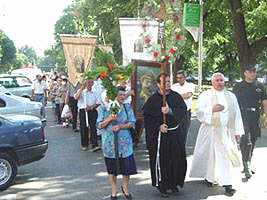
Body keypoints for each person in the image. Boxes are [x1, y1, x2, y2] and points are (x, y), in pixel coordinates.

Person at [189, 72, 244, 196]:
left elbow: (237, 114)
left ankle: (228, 183)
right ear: (212, 82)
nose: (220, 83)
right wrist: (212, 109)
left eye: (221, 80)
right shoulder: (205, 95)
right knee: (210, 156)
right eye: (217, 80)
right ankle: (210, 178)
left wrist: (238, 131)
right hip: (210, 130)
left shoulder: (231, 95)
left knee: (226, 156)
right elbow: (198, 111)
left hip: (226, 132)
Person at [143, 73, 187, 198]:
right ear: (158, 84)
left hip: (174, 133)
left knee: (176, 158)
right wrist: (159, 126)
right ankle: (162, 185)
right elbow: (147, 117)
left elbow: (183, 110)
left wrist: (170, 111)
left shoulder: (176, 96)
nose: (167, 83)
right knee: (163, 160)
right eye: (164, 82)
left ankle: (174, 183)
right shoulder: (153, 99)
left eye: (168, 81)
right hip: (160, 136)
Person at [97, 86, 137, 200]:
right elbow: (99, 125)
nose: (122, 97)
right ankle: (113, 191)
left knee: (127, 166)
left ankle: (125, 187)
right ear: (114, 95)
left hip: (125, 143)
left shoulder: (127, 106)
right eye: (120, 94)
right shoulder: (103, 108)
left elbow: (132, 122)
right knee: (112, 168)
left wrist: (121, 126)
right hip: (110, 143)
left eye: (124, 95)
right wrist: (109, 118)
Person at [233, 65, 267, 179]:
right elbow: (233, 102)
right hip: (242, 116)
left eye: (254, 71)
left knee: (253, 139)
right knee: (246, 140)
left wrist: (266, 117)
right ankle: (246, 165)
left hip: (255, 116)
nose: (253, 73)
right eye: (250, 71)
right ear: (245, 73)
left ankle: (248, 162)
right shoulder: (238, 86)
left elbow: (265, 102)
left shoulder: (259, 86)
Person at [74, 80, 101, 152]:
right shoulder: (82, 91)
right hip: (83, 111)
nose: (89, 84)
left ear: (93, 83)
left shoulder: (95, 92)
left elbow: (98, 102)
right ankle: (84, 144)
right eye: (88, 82)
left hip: (92, 110)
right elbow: (76, 98)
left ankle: (94, 144)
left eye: (91, 82)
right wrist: (81, 89)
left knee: (93, 127)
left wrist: (91, 107)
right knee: (83, 127)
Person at [171, 70, 195, 144]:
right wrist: (181, 96)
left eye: (180, 78)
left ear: (185, 77)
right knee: (174, 132)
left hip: (185, 113)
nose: (179, 80)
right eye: (177, 78)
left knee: (184, 132)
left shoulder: (190, 85)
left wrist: (176, 96)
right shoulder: (174, 86)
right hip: (175, 112)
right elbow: (171, 98)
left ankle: (181, 150)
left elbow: (188, 95)